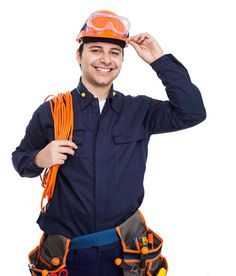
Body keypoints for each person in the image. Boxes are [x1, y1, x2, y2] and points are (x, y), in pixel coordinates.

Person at [12, 10, 206, 276]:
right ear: (79, 56)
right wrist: (39, 159)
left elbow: (192, 112)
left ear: (123, 60)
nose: (105, 59)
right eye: (95, 50)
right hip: (68, 256)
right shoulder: (51, 112)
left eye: (114, 52)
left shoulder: (140, 111)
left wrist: (158, 60)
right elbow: (20, 160)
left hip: (126, 252)